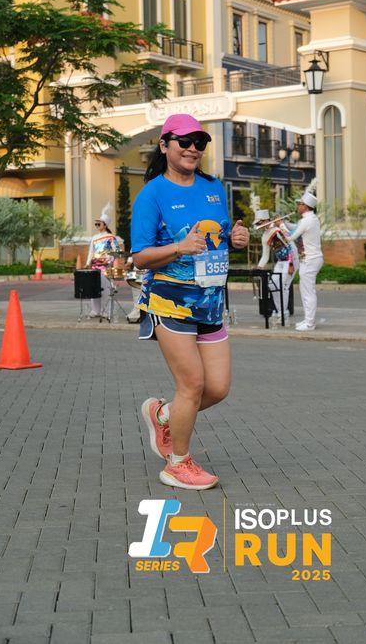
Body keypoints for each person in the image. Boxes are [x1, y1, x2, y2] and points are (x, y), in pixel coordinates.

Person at [131, 113, 249, 490]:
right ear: (164, 145)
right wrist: (178, 247)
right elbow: (140, 257)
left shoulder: (213, 187)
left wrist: (237, 239)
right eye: (184, 141)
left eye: (200, 142)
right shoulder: (152, 194)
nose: (193, 148)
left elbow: (219, 236)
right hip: (170, 303)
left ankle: (163, 415)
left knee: (218, 388)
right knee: (192, 384)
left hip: (210, 304)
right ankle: (177, 464)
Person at [255, 209, 299, 323]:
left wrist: (291, 264)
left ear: (266, 221)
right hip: (280, 261)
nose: (259, 225)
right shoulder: (264, 236)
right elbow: (265, 256)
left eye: (260, 222)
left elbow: (289, 245)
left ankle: (283, 313)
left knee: (283, 286)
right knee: (273, 285)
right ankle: (280, 312)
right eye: (258, 223)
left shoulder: (277, 230)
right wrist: (258, 268)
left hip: (291, 259)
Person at [288, 191, 323, 331]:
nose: (298, 206)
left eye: (300, 204)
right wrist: (284, 223)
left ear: (306, 206)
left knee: (308, 292)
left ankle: (310, 323)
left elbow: (291, 236)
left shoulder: (306, 221)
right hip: (310, 258)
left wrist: (281, 226)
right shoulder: (311, 219)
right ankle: (308, 320)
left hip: (310, 259)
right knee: (305, 291)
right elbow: (297, 228)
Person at [86, 204, 122, 318]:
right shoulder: (94, 238)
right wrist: (88, 263)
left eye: (99, 224)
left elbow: (117, 251)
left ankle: (105, 311)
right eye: (96, 224)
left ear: (105, 225)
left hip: (106, 267)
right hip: (94, 267)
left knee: (106, 290)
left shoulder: (111, 237)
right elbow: (91, 252)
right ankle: (95, 310)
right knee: (94, 289)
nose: (97, 226)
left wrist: (108, 260)